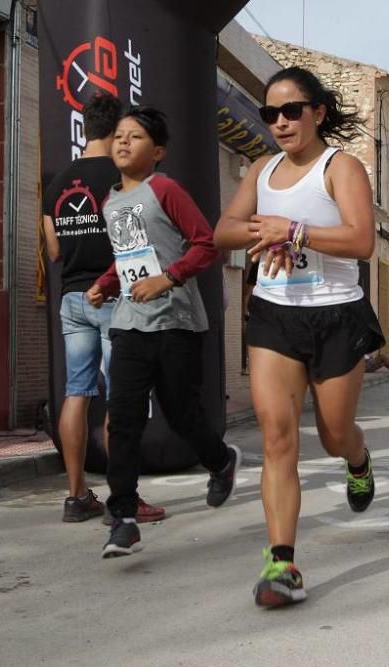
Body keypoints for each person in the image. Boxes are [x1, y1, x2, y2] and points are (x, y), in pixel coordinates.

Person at [214, 65, 384, 607]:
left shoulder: (341, 167)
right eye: (270, 114)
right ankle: (281, 564)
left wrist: (296, 231)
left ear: (318, 112)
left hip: (336, 315)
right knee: (278, 436)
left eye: (291, 111)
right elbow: (223, 232)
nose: (280, 123)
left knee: (334, 435)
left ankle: (357, 460)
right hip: (275, 313)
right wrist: (264, 231)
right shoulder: (262, 169)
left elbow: (362, 242)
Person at [88, 106, 241, 558]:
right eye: (118, 135)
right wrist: (105, 283)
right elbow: (131, 254)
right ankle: (123, 518)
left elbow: (206, 244)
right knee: (124, 419)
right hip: (130, 324)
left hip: (176, 322)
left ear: (157, 151)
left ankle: (220, 461)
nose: (122, 143)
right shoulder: (111, 199)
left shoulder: (165, 189)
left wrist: (168, 279)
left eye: (134, 137)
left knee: (180, 414)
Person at [40, 93, 164, 525]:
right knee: (122, 399)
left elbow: (54, 252)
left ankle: (76, 497)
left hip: (72, 298)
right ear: (115, 133)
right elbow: (136, 246)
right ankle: (122, 501)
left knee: (77, 392)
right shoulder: (123, 177)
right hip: (115, 298)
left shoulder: (56, 186)